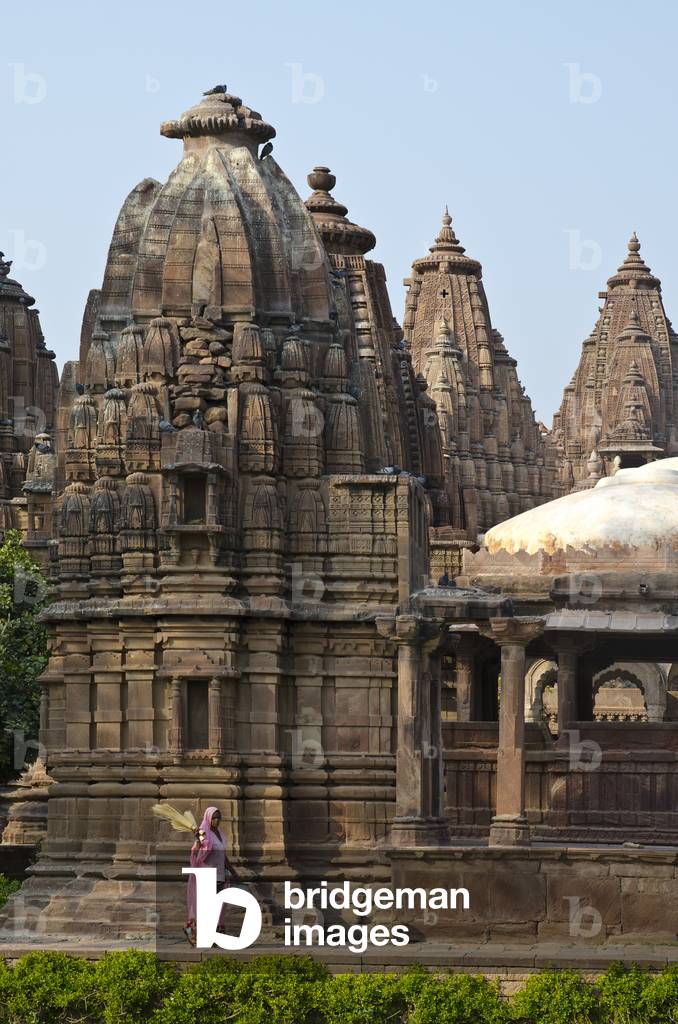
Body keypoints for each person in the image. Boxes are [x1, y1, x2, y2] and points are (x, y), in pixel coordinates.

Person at [184, 806, 240, 945]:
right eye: (214, 818)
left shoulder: (220, 834)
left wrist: (233, 872)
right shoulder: (204, 833)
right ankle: (194, 932)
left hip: (220, 875)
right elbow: (201, 847)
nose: (216, 820)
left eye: (218, 818)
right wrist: (198, 837)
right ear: (208, 818)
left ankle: (212, 935)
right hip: (207, 874)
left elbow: (223, 856)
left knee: (217, 906)